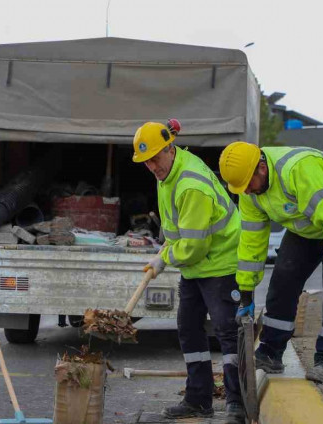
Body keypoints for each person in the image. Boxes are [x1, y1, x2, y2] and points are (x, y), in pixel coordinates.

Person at [218, 142, 323, 384]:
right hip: (306, 224)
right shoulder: (248, 192)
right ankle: (271, 351)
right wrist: (246, 292)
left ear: (261, 167)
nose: (246, 191)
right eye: (241, 188)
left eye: (248, 184)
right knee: (283, 279)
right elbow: (251, 243)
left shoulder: (298, 170)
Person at [133, 120, 246, 424]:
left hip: (221, 263)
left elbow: (194, 246)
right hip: (197, 267)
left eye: (156, 158)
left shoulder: (190, 184)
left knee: (226, 331)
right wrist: (164, 251)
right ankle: (198, 400)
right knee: (188, 328)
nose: (152, 166)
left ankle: (238, 403)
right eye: (146, 162)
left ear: (170, 149)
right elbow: (177, 228)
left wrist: (164, 258)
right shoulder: (167, 173)